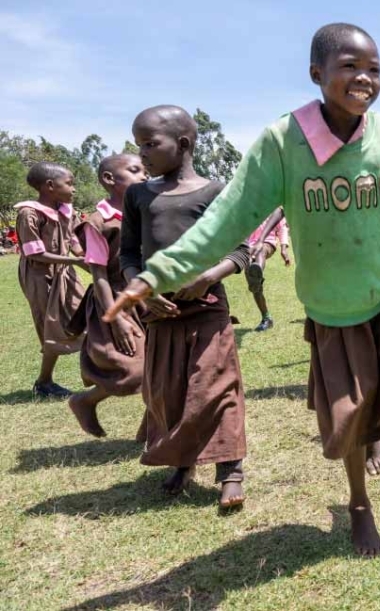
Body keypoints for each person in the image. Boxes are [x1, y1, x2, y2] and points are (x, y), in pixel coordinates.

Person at [106, 23, 380, 556]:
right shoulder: (283, 142)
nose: (364, 78)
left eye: (374, 69)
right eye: (350, 67)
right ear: (317, 74)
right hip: (331, 310)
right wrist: (155, 275)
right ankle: (359, 505)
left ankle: (377, 441)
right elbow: (224, 222)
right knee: (351, 413)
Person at [119, 105, 250, 510]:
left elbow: (241, 250)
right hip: (159, 314)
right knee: (169, 391)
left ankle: (231, 470)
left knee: (216, 386)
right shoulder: (138, 195)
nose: (142, 153)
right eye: (138, 144)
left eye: (150, 144)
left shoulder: (215, 192)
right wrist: (141, 290)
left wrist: (209, 277)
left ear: (184, 143)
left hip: (207, 308)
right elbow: (127, 255)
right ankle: (181, 460)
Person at [68, 154, 149, 438]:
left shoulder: (144, 211)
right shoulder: (99, 222)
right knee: (133, 370)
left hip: (149, 296)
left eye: (146, 170)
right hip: (116, 300)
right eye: (135, 170)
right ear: (109, 179)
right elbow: (99, 274)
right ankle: (85, 401)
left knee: (166, 363)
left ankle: (149, 427)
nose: (144, 176)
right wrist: (116, 319)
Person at [15, 162, 87, 397]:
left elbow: (72, 238)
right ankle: (44, 382)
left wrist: (81, 255)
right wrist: (75, 261)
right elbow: (34, 253)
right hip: (39, 275)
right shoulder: (29, 213)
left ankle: (100, 370)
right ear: (49, 186)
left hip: (64, 271)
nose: (73, 189)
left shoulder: (66, 209)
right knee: (51, 325)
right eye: (69, 184)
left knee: (84, 316)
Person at [245, 207, 291, 332]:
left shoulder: (272, 207)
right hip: (248, 247)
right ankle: (266, 318)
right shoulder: (246, 207)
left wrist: (283, 249)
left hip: (267, 243)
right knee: (255, 286)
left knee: (260, 252)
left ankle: (258, 270)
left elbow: (282, 228)